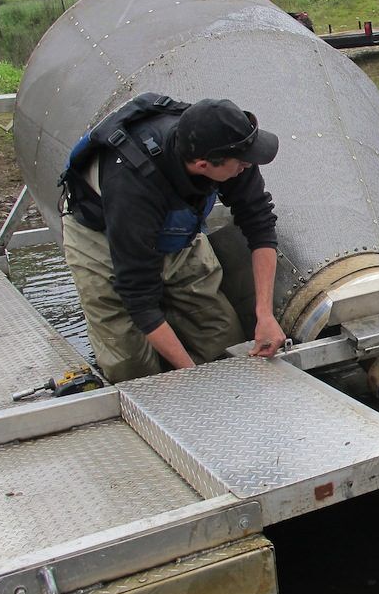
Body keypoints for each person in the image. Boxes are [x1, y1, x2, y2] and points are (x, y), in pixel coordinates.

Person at [59, 94, 287, 384]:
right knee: (134, 369)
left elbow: (260, 225)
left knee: (223, 342)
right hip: (102, 234)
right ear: (204, 165)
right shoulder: (131, 184)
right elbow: (139, 299)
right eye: (242, 162)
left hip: (175, 229)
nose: (248, 166)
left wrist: (264, 314)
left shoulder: (229, 145)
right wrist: (190, 380)